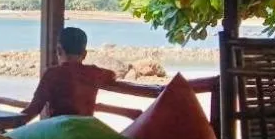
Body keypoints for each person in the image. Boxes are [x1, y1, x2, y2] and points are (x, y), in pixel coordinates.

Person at [11, 26, 162, 123]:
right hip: (87, 128)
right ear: (84, 54)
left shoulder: (52, 74)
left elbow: (31, 112)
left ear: (58, 50)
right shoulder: (94, 73)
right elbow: (112, 74)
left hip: (58, 129)